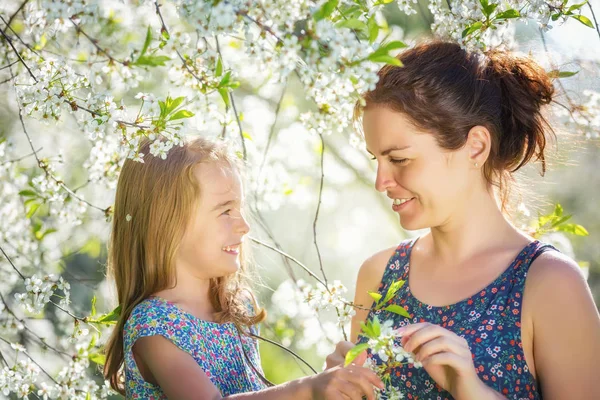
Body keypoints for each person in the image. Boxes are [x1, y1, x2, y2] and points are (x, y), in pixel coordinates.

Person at [325, 41, 600, 399]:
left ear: (476, 147)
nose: (381, 181)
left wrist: (471, 390)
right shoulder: (379, 275)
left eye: (400, 159)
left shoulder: (549, 284)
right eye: (376, 159)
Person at [103, 137, 384, 399]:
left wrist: (330, 383)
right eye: (225, 210)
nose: (244, 225)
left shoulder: (237, 305)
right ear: (165, 222)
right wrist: (307, 389)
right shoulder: (153, 325)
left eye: (240, 208)